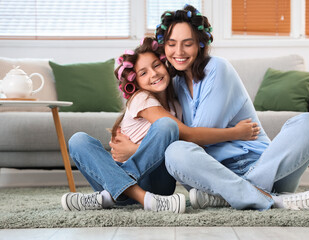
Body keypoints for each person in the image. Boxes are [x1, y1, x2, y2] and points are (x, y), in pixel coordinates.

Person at [113, 5, 309, 211]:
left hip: (264, 165)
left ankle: (236, 195)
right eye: (171, 44)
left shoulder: (218, 69)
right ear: (164, 46)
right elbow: (172, 135)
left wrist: (137, 152)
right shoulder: (173, 84)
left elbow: (195, 134)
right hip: (212, 173)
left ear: (200, 43)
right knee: (175, 153)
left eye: (187, 43)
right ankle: (273, 198)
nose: (178, 51)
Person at [61, 37, 262, 213]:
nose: (153, 74)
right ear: (137, 83)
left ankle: (108, 196)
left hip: (154, 183)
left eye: (156, 65)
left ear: (165, 65)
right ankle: (142, 199)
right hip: (135, 187)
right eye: (143, 73)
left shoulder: (177, 103)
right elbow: (189, 134)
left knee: (167, 127)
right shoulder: (142, 98)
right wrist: (234, 133)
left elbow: (189, 142)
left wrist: (134, 150)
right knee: (78, 140)